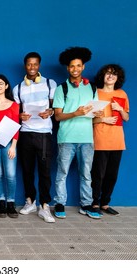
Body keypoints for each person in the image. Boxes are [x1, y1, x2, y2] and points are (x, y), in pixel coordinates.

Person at [52, 47, 102, 219]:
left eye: (78, 66)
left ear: (83, 67)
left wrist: (98, 114)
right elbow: (57, 116)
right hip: (66, 138)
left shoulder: (93, 88)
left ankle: (86, 204)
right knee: (62, 172)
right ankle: (59, 203)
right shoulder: (61, 89)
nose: (75, 69)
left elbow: (94, 113)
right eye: (72, 66)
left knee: (86, 173)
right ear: (67, 68)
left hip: (87, 138)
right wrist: (75, 113)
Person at [12, 52, 57, 223]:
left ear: (39, 65)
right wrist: (19, 117)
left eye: (35, 64)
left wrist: (50, 112)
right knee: (27, 170)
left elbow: (54, 107)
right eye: (29, 64)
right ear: (25, 66)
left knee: (45, 171)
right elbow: (15, 112)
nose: (32, 67)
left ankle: (44, 206)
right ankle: (30, 201)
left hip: (44, 133)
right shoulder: (18, 88)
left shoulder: (49, 83)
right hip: (25, 133)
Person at [91, 64, 129, 216]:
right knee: (98, 173)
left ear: (118, 78)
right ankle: (94, 203)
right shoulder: (95, 93)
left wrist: (120, 109)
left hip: (117, 140)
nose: (110, 76)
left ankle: (105, 203)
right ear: (103, 76)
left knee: (112, 174)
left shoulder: (122, 94)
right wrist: (104, 119)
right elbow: (90, 119)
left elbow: (126, 118)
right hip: (100, 139)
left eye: (114, 74)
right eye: (108, 73)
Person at [0, 74, 19, 218]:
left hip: (9, 144)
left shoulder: (13, 105)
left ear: (6, 86)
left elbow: (16, 127)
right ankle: (1, 201)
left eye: (1, 84)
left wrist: (13, 146)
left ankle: (11, 202)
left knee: (11, 174)